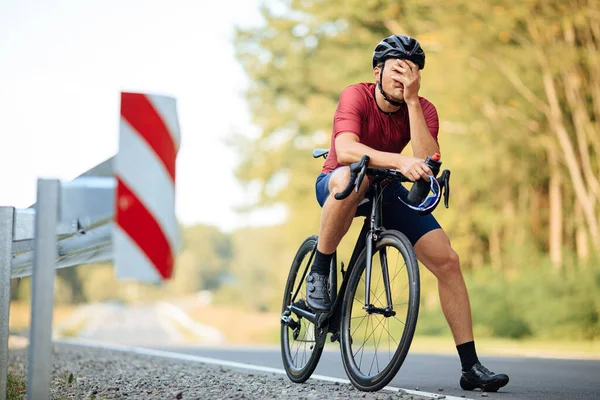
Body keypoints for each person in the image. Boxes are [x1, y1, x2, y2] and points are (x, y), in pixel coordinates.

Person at [305, 34, 510, 393]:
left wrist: (413, 101)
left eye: (412, 74)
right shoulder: (356, 95)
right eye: (397, 73)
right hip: (341, 181)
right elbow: (347, 149)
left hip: (388, 189)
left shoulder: (423, 108)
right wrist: (400, 160)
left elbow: (429, 159)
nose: (404, 81)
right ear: (377, 71)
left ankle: (470, 367)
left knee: (448, 260)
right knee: (348, 178)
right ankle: (320, 268)